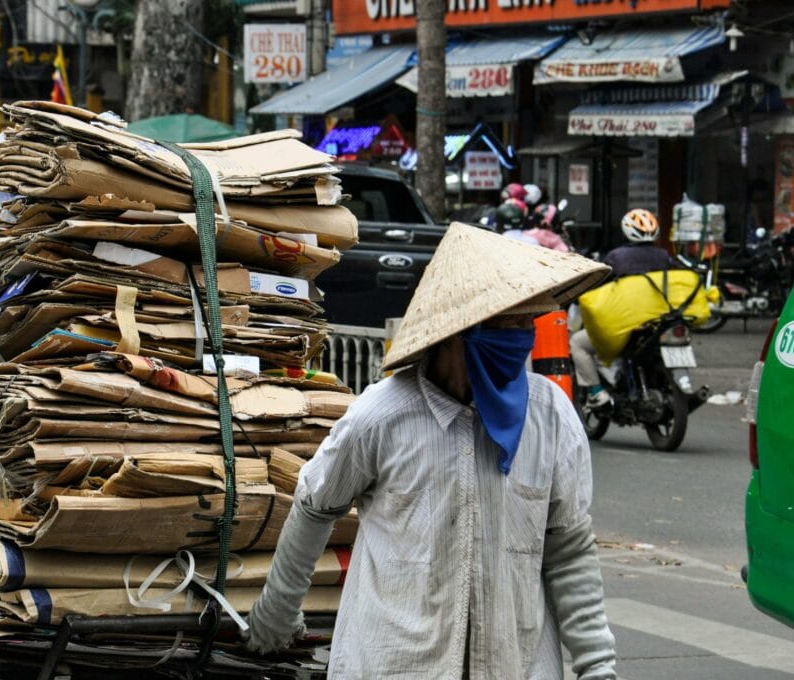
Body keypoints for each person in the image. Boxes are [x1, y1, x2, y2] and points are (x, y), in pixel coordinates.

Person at [245, 223, 617, 679]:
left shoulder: (550, 416)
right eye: (510, 325)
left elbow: (569, 550)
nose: (523, 339)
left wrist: (597, 665)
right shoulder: (382, 416)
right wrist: (277, 612)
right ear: (461, 332)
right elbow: (315, 505)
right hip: (396, 662)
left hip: (514, 664)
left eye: (528, 324)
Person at [570, 209, 675, 407]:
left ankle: (596, 392)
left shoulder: (617, 257)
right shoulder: (664, 257)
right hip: (657, 324)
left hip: (625, 326)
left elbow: (596, 284)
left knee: (576, 343)